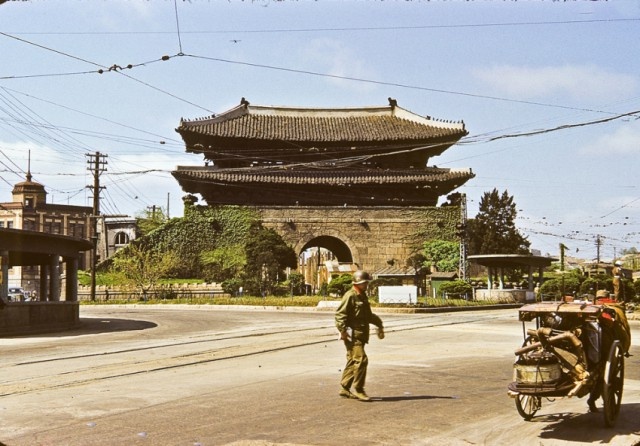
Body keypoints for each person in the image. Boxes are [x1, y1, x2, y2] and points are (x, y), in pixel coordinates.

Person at [335, 270, 384, 402]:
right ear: (358, 283)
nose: (367, 285)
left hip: (361, 334)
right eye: (365, 283)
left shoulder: (362, 296)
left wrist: (379, 325)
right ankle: (359, 389)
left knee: (353, 360)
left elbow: (368, 316)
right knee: (361, 360)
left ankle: (345, 388)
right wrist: (343, 330)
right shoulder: (350, 296)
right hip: (352, 335)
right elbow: (340, 315)